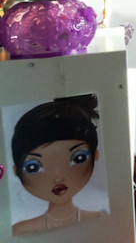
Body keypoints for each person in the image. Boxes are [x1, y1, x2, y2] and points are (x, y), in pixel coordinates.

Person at [10, 94, 107, 235]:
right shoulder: (20, 231)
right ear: (16, 170)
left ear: (95, 155)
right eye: (33, 167)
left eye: (79, 158)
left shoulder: (101, 218)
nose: (58, 177)